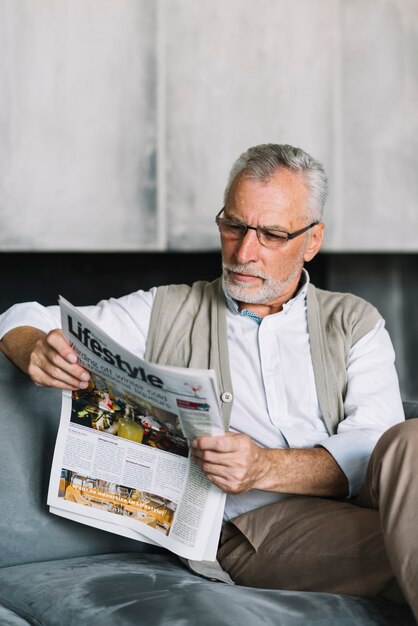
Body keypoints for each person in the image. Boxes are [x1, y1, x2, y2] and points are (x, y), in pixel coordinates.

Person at [0, 144, 417, 618]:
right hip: (257, 530)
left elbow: (375, 444)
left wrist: (266, 466)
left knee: (413, 439)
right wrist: (32, 345)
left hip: (375, 502)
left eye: (272, 234)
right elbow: (24, 314)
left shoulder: (355, 321)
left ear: (312, 241)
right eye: (233, 226)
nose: (244, 251)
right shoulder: (166, 310)